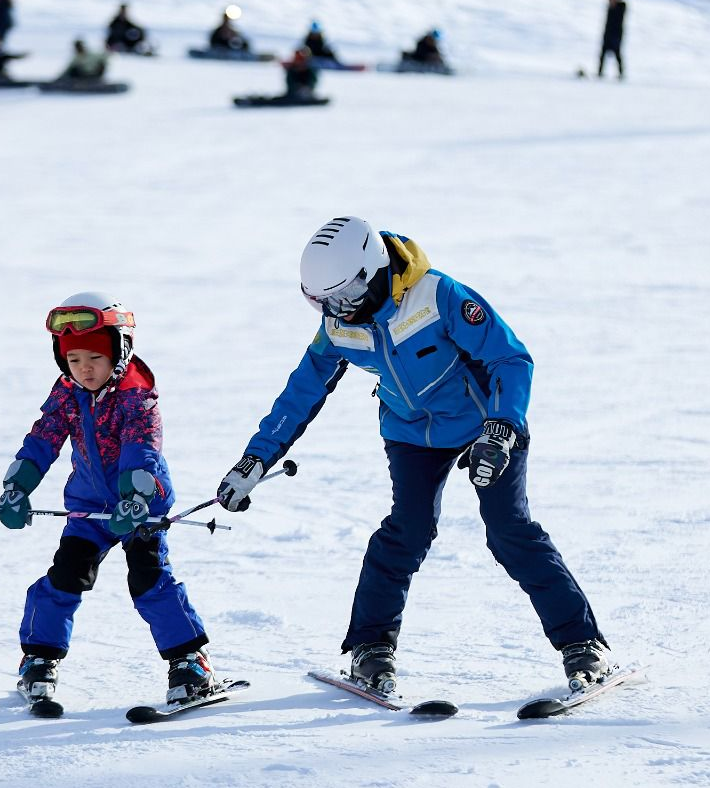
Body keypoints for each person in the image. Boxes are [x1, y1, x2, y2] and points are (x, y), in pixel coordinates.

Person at [214, 217, 612, 697]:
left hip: (487, 423)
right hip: (411, 432)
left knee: (509, 530)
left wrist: (503, 428)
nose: (336, 311)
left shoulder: (439, 297)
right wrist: (253, 461)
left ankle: (583, 644)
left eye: (342, 297)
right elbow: (302, 392)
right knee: (407, 530)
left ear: (371, 272)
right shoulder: (339, 325)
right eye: (322, 302)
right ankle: (371, 649)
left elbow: (511, 358)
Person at [0, 292, 217, 718]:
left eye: (94, 357)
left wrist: (136, 495)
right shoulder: (67, 391)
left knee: (149, 581)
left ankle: (190, 663)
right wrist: (18, 484)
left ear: (119, 351)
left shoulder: (137, 393)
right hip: (90, 506)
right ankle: (38, 658)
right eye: (74, 360)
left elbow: (142, 447)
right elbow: (44, 437)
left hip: (141, 505)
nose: (84, 369)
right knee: (65, 577)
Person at [597, 0, 626, 79]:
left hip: (616, 35)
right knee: (602, 54)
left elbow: (618, 15)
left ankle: (621, 74)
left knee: (617, 55)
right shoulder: (610, 5)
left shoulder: (622, 5)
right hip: (608, 34)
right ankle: (600, 72)